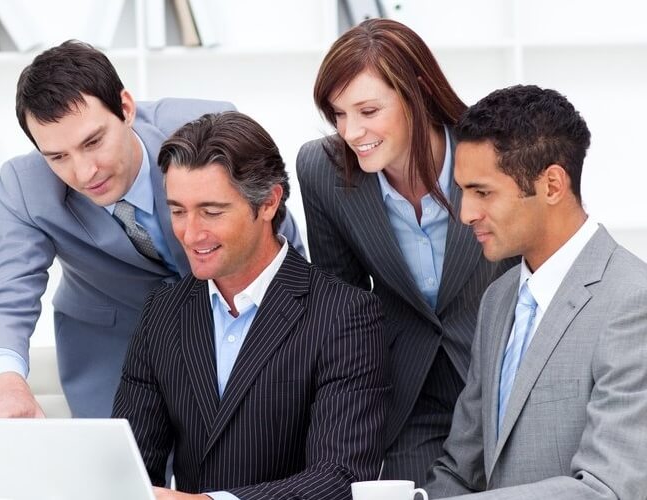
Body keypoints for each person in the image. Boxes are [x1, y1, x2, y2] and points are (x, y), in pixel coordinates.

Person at [0, 40, 305, 419]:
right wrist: (7, 388)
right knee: (125, 471)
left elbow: (278, 240)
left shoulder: (208, 132)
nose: (84, 172)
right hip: (111, 345)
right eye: (58, 156)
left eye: (93, 142)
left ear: (126, 108)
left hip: (236, 321)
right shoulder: (24, 185)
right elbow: (1, 294)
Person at [113, 111, 387, 500]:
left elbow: (339, 477)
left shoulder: (345, 314)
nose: (190, 233)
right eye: (177, 211)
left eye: (211, 211)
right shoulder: (163, 311)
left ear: (269, 202)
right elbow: (128, 466)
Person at [295, 18, 514, 483]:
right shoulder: (322, 170)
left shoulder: (495, 149)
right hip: (410, 392)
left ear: (416, 91)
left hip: (505, 376)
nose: (352, 132)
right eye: (338, 114)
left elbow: (537, 266)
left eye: (368, 111)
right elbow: (341, 302)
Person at [425, 85, 647, 499]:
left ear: (551, 185)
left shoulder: (633, 302)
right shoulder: (498, 298)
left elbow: (610, 489)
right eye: (462, 191)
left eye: (482, 192)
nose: (465, 213)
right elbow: (460, 468)